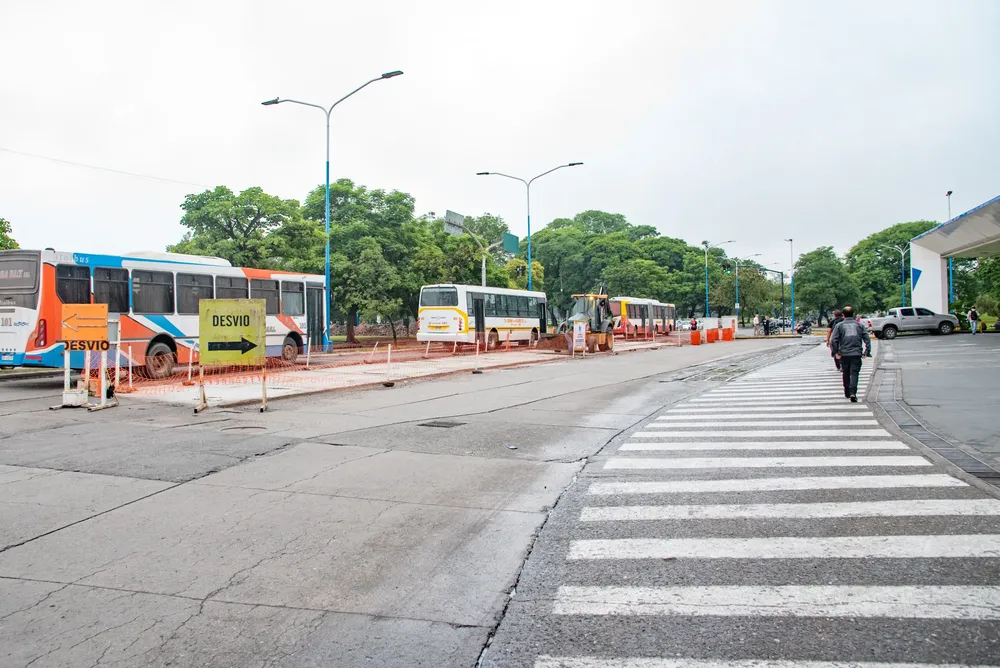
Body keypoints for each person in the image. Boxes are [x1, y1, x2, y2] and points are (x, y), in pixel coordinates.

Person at [830, 305, 871, 402]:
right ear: (853, 314)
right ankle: (853, 392)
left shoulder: (839, 325)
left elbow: (833, 340)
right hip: (856, 353)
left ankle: (847, 392)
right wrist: (867, 351)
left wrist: (835, 352)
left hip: (844, 353)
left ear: (843, 315)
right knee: (854, 373)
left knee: (846, 372)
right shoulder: (859, 325)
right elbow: (867, 339)